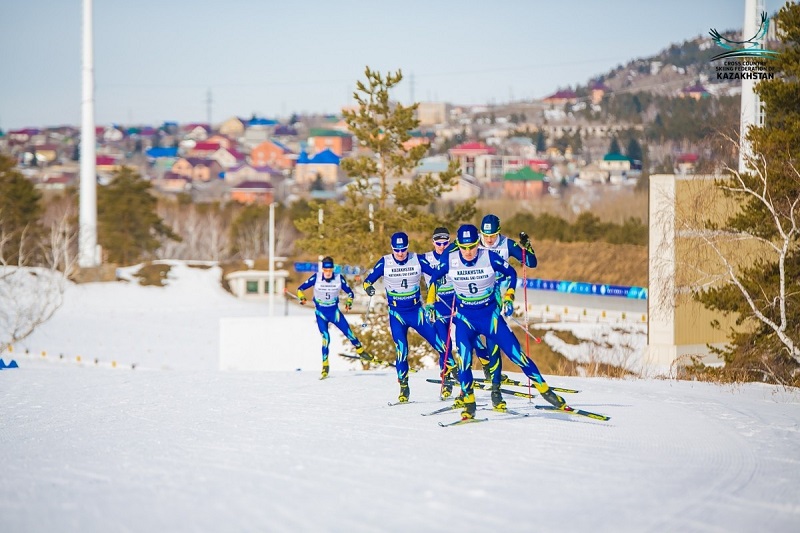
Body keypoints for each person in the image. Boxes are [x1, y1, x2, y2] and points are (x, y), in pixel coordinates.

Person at [426, 224, 565, 420]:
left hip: (490, 317)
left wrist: (509, 296)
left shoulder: (488, 257)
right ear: (458, 245)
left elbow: (512, 273)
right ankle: (469, 404)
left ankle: (546, 392)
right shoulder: (451, 260)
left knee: (517, 356)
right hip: (465, 320)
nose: (468, 252)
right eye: (464, 247)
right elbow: (433, 279)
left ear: (478, 243)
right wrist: (431, 302)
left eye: (472, 246)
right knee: (464, 362)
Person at [362, 232, 447, 403]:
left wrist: (440, 282)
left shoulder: (417, 259)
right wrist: (369, 288)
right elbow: (367, 281)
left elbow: (437, 273)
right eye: (396, 250)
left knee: (440, 345)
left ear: (408, 247)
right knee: (401, 351)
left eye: (403, 249)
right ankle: (404, 387)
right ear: (392, 248)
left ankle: (448, 379)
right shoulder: (385, 262)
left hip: (417, 311)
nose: (400, 253)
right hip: (397, 314)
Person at [475, 213, 539, 401]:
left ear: (499, 233)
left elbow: (531, 263)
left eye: (492, 236)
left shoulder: (506, 244)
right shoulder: (474, 244)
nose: (488, 240)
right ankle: (488, 367)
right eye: (485, 236)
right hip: (479, 292)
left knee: (493, 336)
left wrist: (527, 247)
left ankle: (495, 380)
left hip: (501, 291)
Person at [297, 256, 366, 379]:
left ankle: (361, 351)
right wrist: (301, 297)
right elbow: (300, 289)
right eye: (326, 270)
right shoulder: (316, 277)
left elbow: (350, 293)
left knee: (349, 333)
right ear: (323, 269)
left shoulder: (338, 278)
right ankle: (325, 366)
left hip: (334, 313)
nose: (328, 272)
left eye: (330, 270)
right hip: (321, 314)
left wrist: (349, 303)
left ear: (333, 269)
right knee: (326, 338)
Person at [422, 227, 459, 398]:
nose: (442, 247)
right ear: (433, 242)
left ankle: (484, 370)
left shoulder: (456, 257)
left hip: (455, 301)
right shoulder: (426, 259)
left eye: (445, 243)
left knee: (469, 338)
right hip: (437, 305)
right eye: (439, 243)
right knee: (445, 344)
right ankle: (447, 379)